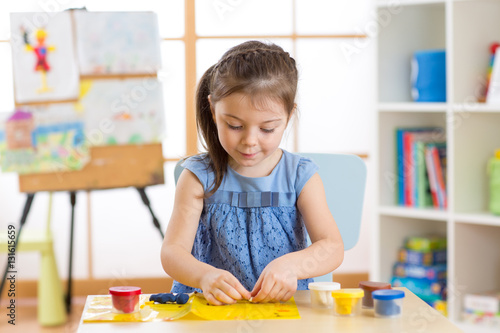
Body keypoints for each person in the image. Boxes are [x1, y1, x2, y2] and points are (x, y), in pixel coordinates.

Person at [161, 40, 344, 306]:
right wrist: (204, 276)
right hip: (212, 309)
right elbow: (172, 252)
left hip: (284, 308)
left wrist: (292, 266)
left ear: (289, 116)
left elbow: (332, 246)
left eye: (267, 129)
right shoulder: (198, 177)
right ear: (213, 110)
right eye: (234, 125)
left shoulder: (300, 176)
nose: (250, 140)